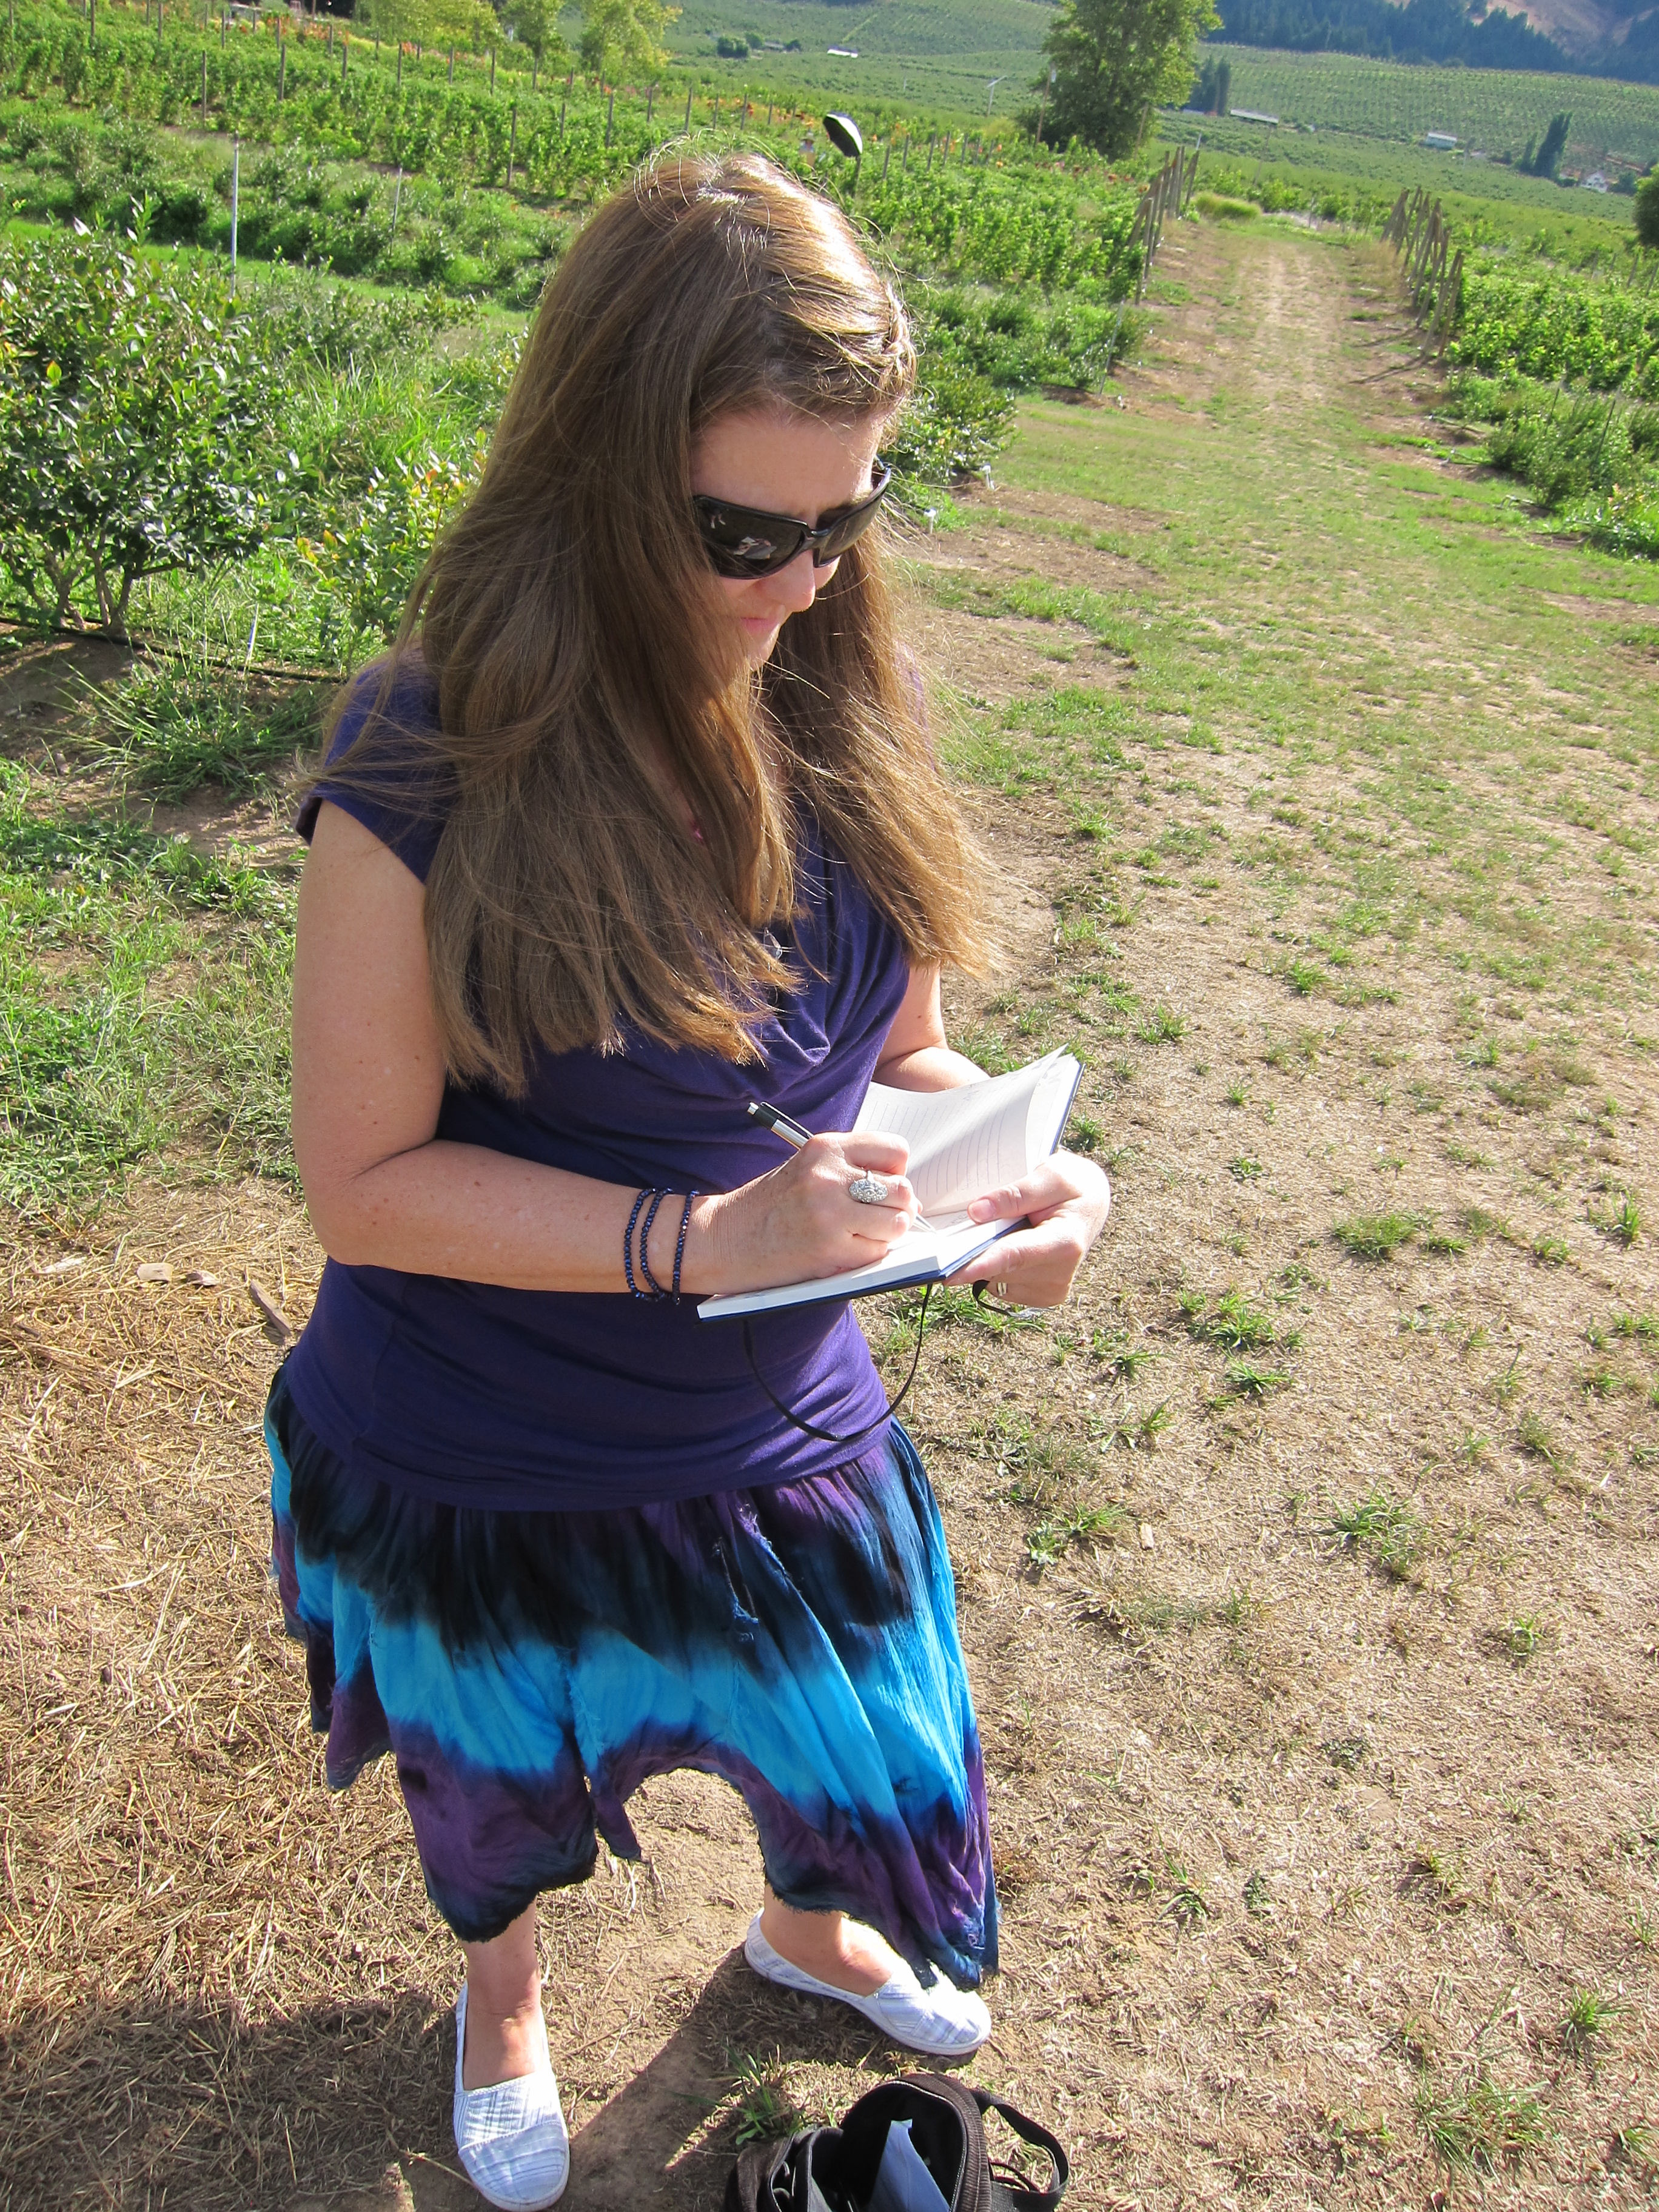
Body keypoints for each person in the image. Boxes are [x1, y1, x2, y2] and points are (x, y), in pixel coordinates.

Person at [267, 151, 1110, 2212]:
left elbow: (896, 1050)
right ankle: (508, 2000)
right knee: (499, 1787)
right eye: (747, 530)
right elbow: (365, 1181)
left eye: (851, 520)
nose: (801, 582)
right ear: (596, 472)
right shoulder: (430, 751)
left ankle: (812, 1929)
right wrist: (702, 1239)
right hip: (484, 1434)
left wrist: (1012, 1174)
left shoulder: (839, 695)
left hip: (777, 1410)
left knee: (871, 1746)